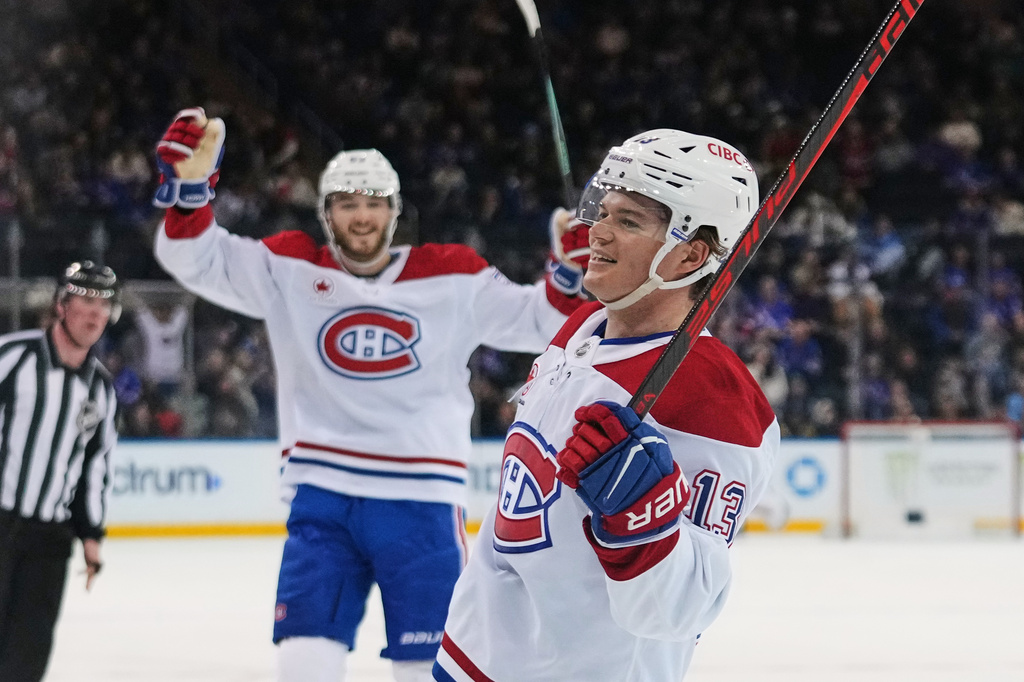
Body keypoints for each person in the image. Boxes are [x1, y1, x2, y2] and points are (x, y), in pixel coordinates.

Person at [150, 107, 589, 682]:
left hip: (422, 501)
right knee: (302, 663)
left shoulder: (452, 274)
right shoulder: (290, 265)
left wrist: (570, 273)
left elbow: (540, 322)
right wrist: (189, 194)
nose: (362, 216)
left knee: (425, 668)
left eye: (374, 202)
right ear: (326, 212)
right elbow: (196, 258)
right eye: (347, 203)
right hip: (322, 497)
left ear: (395, 210)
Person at [433, 129, 781, 682]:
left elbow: (679, 612)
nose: (596, 232)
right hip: (476, 654)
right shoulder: (582, 324)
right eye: (603, 210)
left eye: (629, 221)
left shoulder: (715, 400)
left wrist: (647, 523)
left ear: (690, 254)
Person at [0, 261, 120, 681]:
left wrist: (91, 536)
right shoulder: (11, 358)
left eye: (104, 305)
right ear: (61, 305)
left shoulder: (101, 389)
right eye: (86, 300)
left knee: (27, 657)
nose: (95, 314)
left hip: (50, 541)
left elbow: (95, 465)